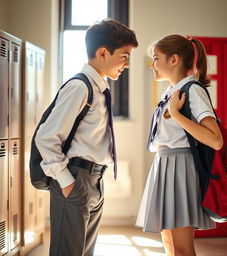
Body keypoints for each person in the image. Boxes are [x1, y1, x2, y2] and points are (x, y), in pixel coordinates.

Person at [35, 19, 138, 256]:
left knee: (84, 252)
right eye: (124, 56)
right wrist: (67, 182)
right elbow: (46, 137)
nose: (127, 64)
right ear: (103, 53)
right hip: (75, 178)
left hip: (95, 179)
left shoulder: (101, 88)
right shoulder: (80, 87)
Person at [136, 35, 223, 256]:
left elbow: (215, 139)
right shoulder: (171, 91)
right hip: (166, 164)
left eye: (156, 58)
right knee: (169, 243)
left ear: (173, 59)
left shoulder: (192, 90)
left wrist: (176, 114)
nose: (152, 65)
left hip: (180, 167)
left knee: (182, 248)